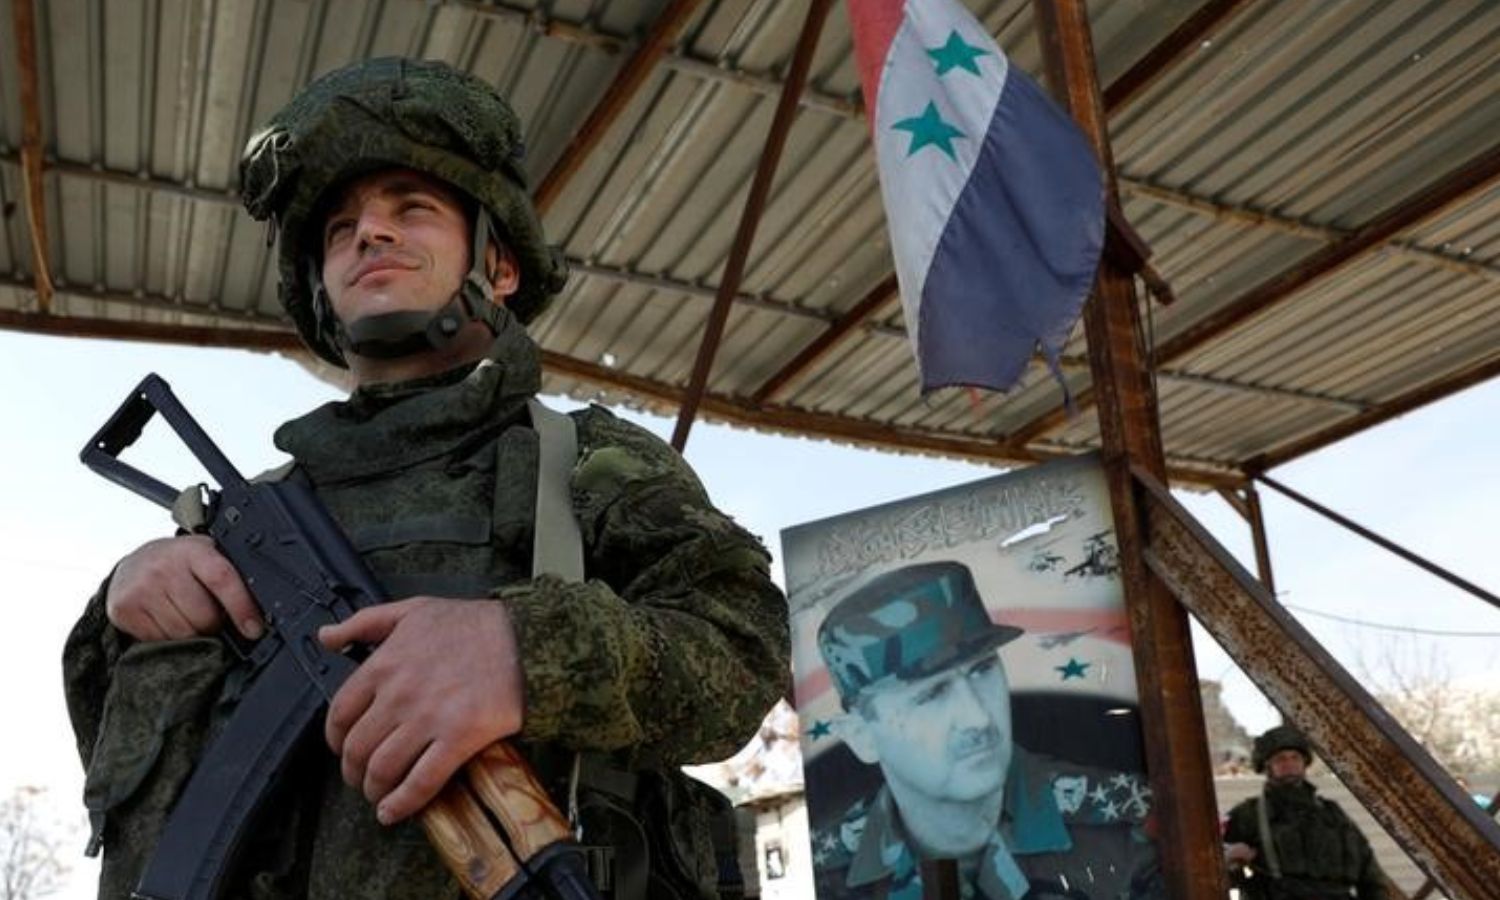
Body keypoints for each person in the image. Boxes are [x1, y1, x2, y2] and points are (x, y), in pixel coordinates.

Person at [62, 57, 788, 900]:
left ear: (499, 266)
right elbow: (125, 780)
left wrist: (523, 654)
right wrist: (125, 606)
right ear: (320, 290)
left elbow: (744, 648)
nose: (369, 234)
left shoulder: (582, 460)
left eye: (413, 209)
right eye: (339, 229)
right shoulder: (254, 515)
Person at [810, 561, 1160, 900]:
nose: (978, 718)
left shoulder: (1124, 824)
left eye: (982, 670)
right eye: (932, 693)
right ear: (863, 737)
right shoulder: (830, 870)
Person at [1222, 725, 1388, 900]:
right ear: (1267, 766)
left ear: (1304, 763)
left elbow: (1369, 874)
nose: (1290, 764)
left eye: (1295, 758)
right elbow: (1210, 870)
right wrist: (1231, 858)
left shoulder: (1331, 814)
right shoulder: (1248, 815)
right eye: (1281, 759)